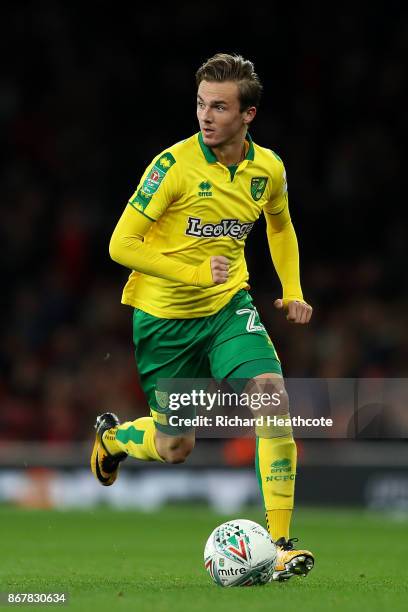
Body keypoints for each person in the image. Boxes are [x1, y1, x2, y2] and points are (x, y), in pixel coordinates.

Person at [91, 53, 314, 581]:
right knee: (176, 447)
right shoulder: (171, 166)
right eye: (200, 104)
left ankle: (280, 543)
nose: (205, 116)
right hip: (164, 321)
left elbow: (279, 227)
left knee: (270, 393)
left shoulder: (269, 169)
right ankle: (113, 439)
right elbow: (120, 244)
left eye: (219, 106)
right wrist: (191, 275)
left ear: (248, 116)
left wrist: (292, 289)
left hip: (227, 307)